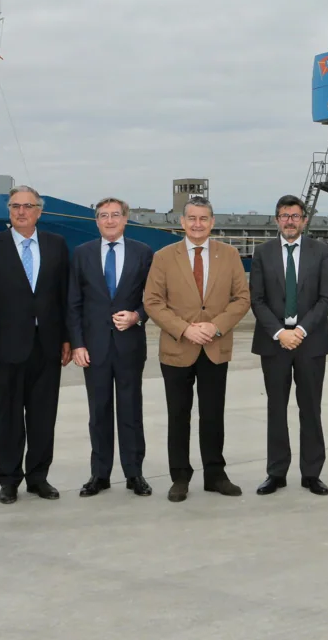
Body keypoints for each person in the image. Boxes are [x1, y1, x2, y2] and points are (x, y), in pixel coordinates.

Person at [143, 195, 251, 502]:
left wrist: (215, 326)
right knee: (178, 415)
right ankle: (179, 476)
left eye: (203, 218)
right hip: (177, 348)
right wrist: (184, 328)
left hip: (214, 347)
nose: (197, 224)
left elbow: (242, 298)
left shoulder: (229, 255)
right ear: (182, 222)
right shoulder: (164, 256)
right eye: (191, 218)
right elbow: (152, 301)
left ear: (212, 222)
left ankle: (215, 474)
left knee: (213, 414)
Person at [0, 185, 71, 504]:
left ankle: (38, 477)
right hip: (5, 347)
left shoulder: (56, 245)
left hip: (48, 345)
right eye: (15, 206)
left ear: (39, 212)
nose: (21, 211)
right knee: (9, 415)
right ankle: (9, 479)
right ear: (9, 210)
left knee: (44, 415)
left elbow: (64, 297)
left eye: (28, 206)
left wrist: (68, 338)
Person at [67, 197, 154, 498]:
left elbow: (154, 297)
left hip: (129, 344)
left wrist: (137, 316)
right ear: (97, 221)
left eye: (116, 215)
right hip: (95, 348)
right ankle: (99, 475)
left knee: (131, 410)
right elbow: (74, 302)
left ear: (126, 219)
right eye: (103, 215)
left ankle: (135, 474)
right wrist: (77, 343)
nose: (110, 220)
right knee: (99, 412)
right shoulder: (82, 254)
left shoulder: (143, 253)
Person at [248, 195, 328, 496]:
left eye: (295, 216)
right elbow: (256, 300)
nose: (289, 221)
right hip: (274, 344)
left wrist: (300, 329)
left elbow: (326, 299)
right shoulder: (262, 252)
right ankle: (276, 472)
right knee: (276, 409)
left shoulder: (320, 251)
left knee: (310, 409)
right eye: (284, 215)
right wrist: (279, 332)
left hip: (310, 342)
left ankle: (311, 473)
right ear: (276, 220)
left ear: (304, 220)